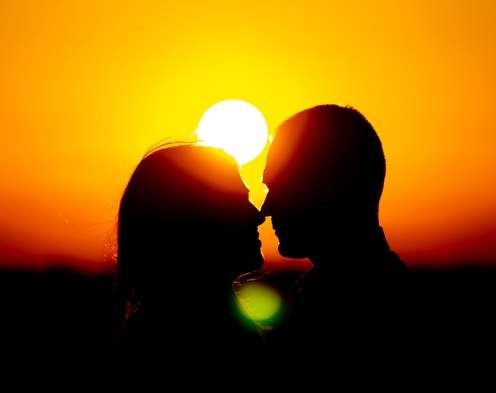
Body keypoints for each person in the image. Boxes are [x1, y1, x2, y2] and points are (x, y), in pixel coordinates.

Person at [261, 105, 407, 357]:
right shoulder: (315, 298)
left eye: (284, 187)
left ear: (336, 186)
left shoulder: (365, 310)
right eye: (268, 188)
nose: (267, 208)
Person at [112, 143, 265, 361]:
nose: (258, 216)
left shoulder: (151, 335)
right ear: (192, 220)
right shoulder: (151, 343)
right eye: (237, 202)